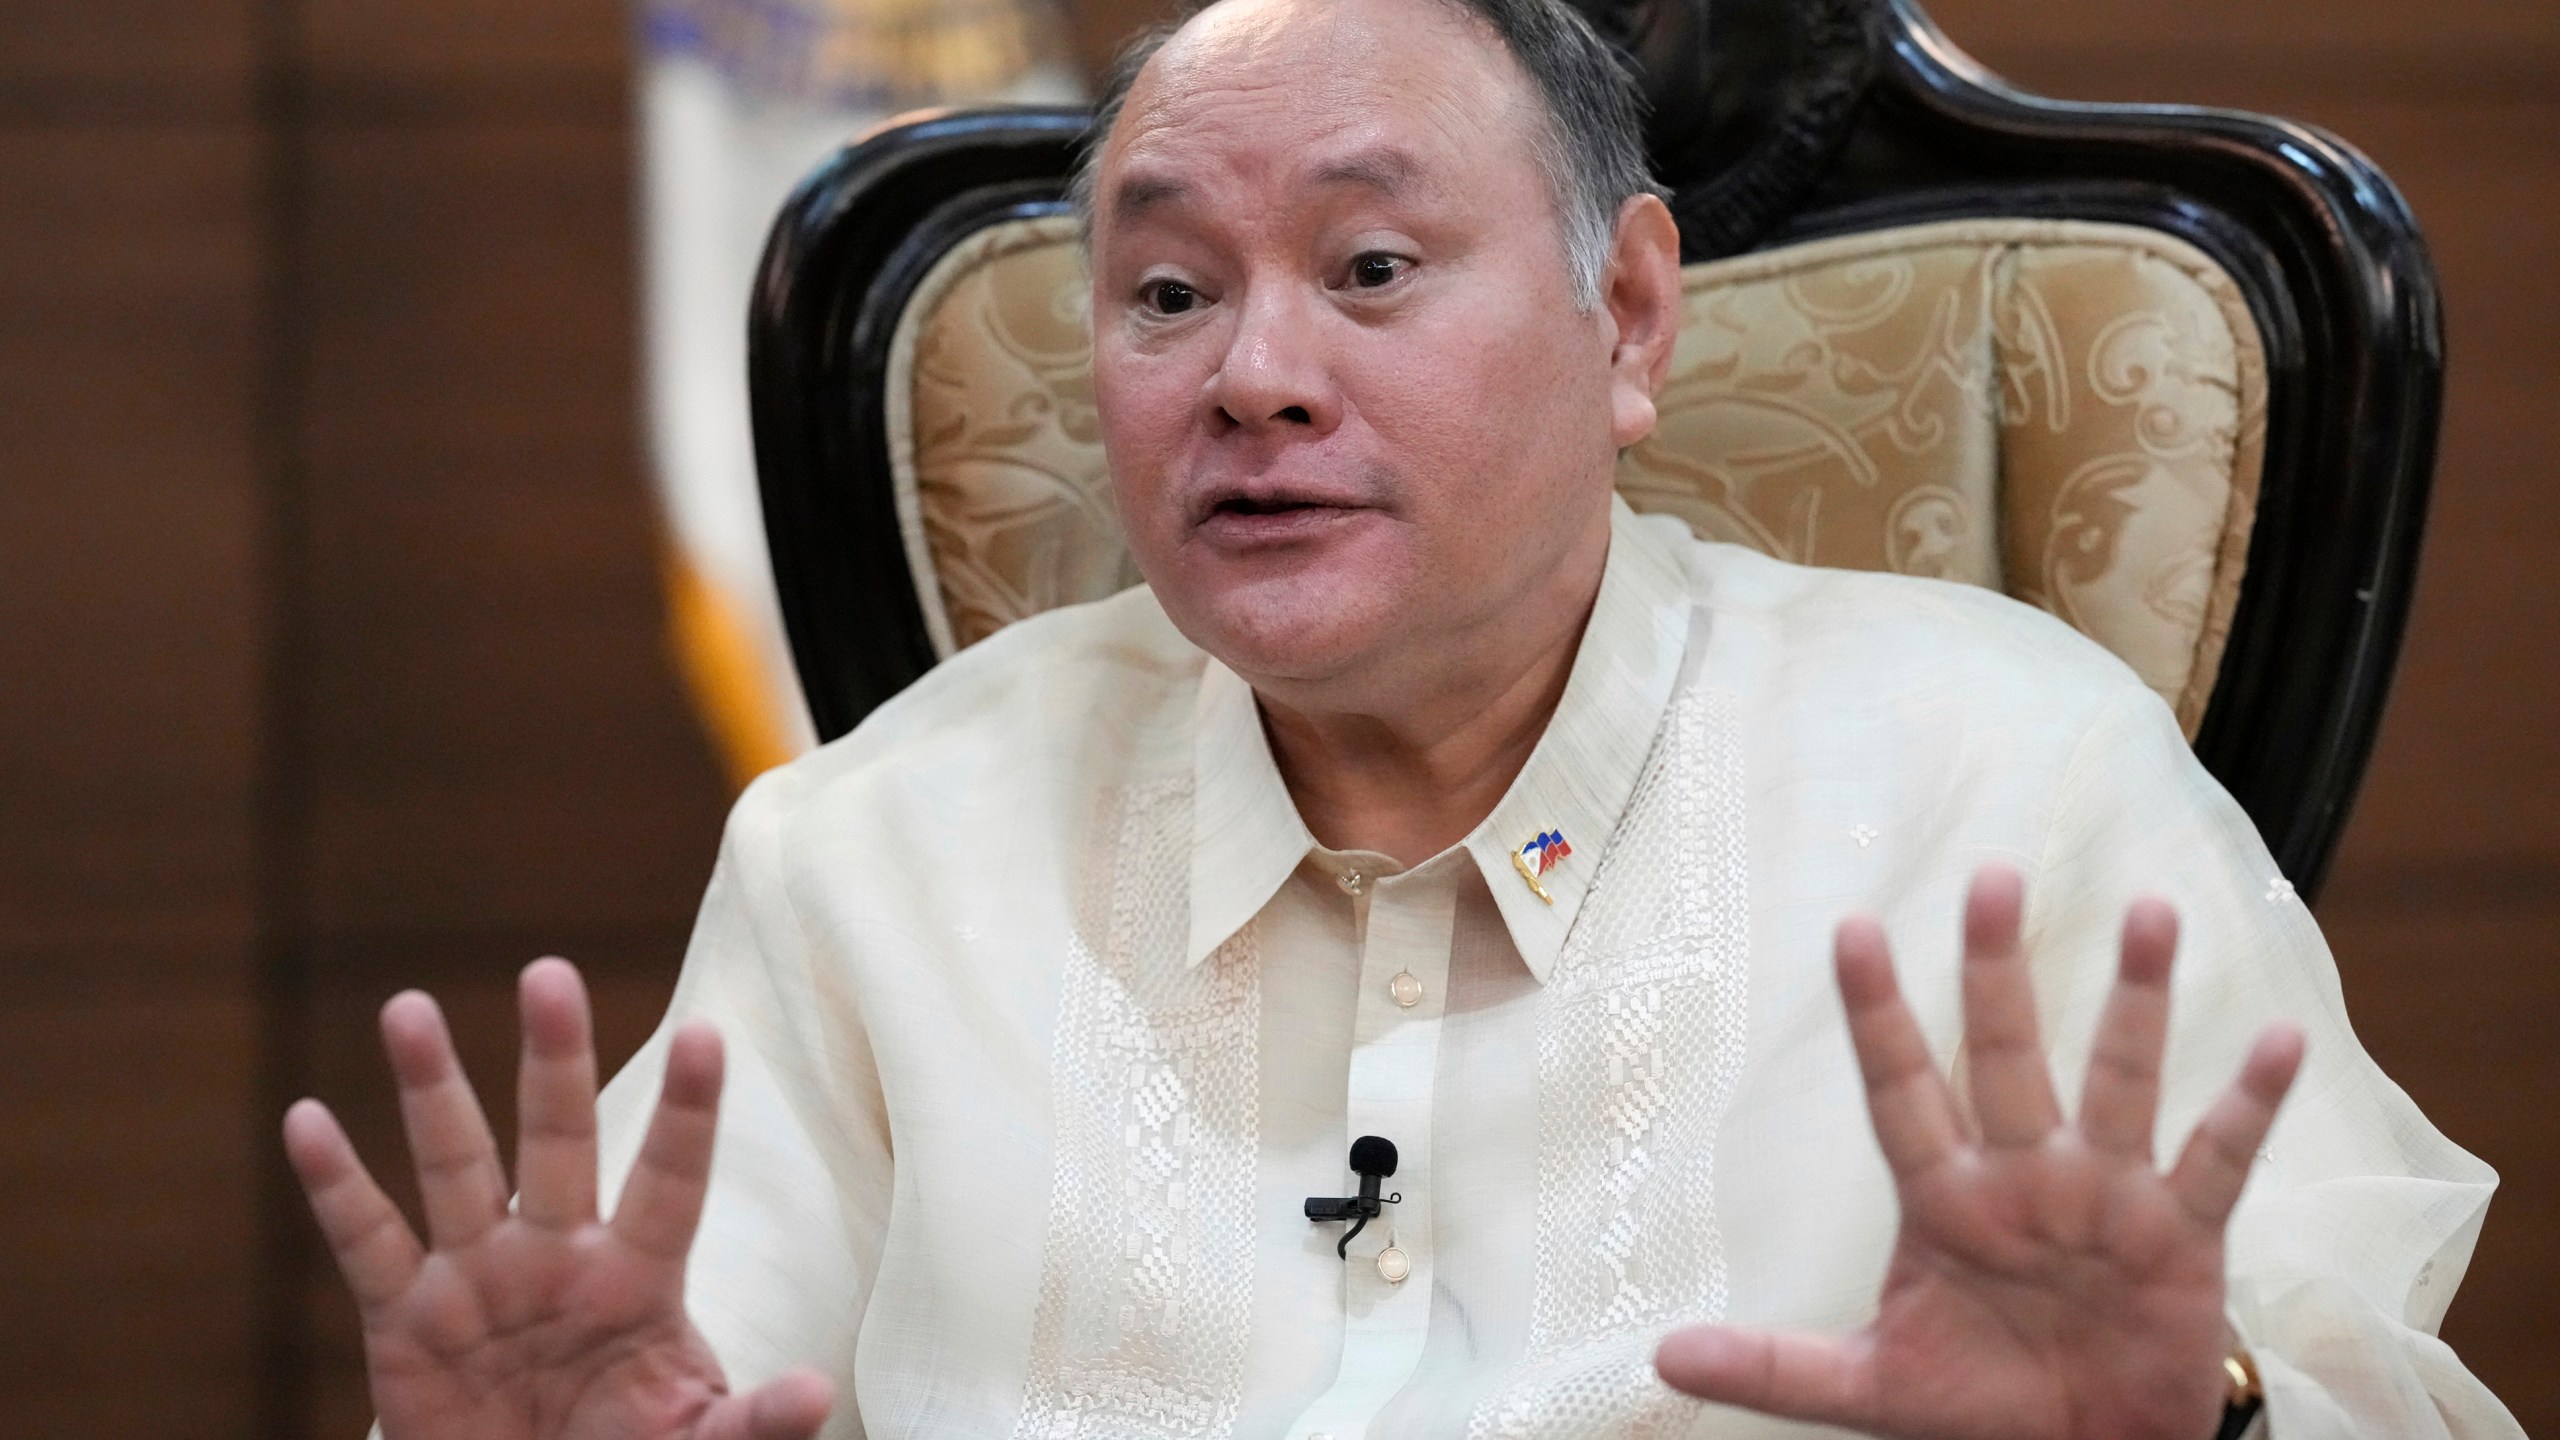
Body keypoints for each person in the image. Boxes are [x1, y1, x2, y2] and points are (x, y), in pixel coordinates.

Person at [280, 0, 2519, 1434]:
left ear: (1625, 317)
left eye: (1369, 270)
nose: (1253, 375)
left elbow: (2387, 1394)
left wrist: (2203, 1420)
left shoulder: (2003, 781)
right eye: (1168, 291)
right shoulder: (874, 859)